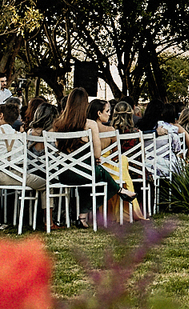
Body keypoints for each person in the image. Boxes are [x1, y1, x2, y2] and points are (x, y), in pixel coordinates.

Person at [49, 88, 135, 227]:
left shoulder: (58, 125)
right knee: (96, 172)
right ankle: (119, 191)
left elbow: (58, 148)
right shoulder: (90, 124)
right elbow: (97, 154)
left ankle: (82, 218)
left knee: (92, 173)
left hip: (63, 174)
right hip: (85, 174)